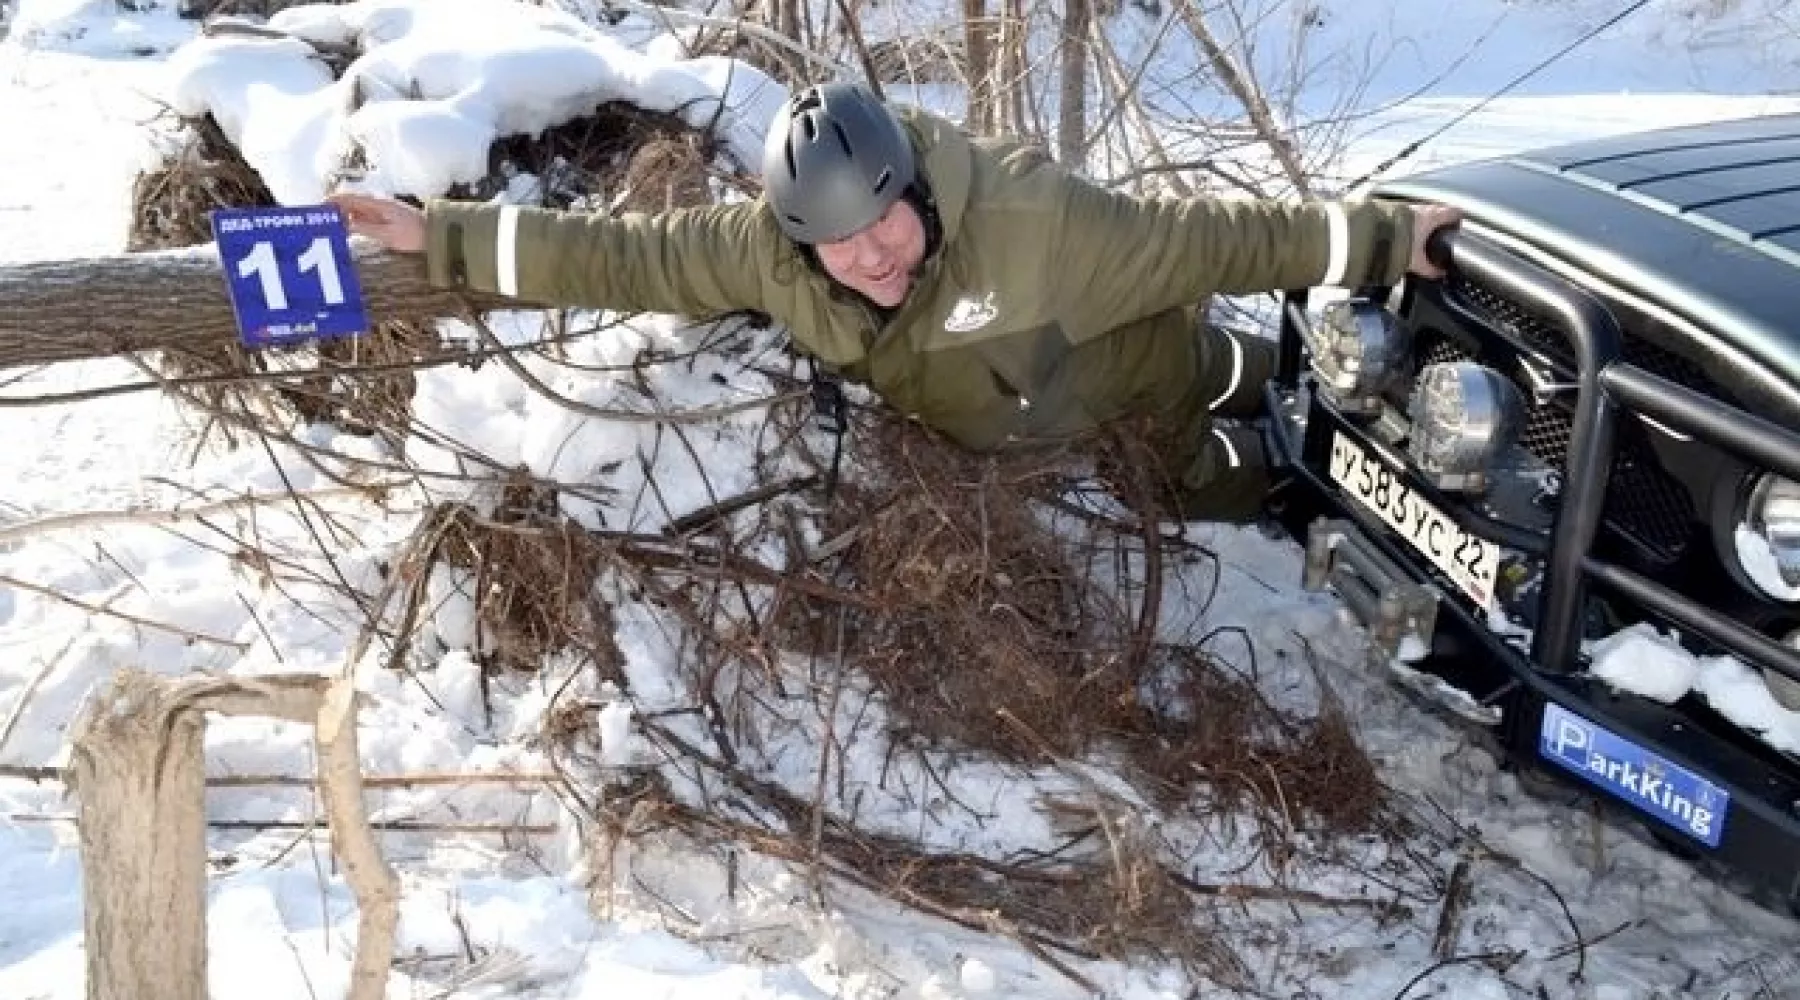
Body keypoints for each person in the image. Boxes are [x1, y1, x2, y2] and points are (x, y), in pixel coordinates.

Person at [333, 81, 1460, 522]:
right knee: (1214, 491)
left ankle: (1335, 421)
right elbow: (628, 260)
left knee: (1250, 384)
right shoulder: (769, 253)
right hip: (1078, 432)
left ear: (917, 185)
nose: (871, 257)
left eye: (886, 222)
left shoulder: (1039, 222)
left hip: (1141, 352)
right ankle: (1311, 500)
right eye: (837, 245)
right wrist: (448, 236)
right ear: (790, 237)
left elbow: (1218, 238)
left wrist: (1380, 238)